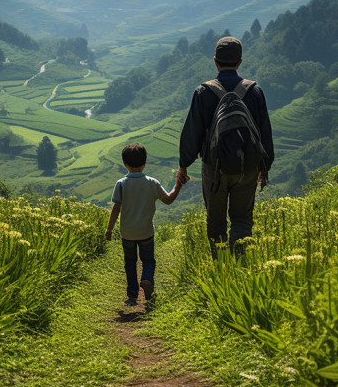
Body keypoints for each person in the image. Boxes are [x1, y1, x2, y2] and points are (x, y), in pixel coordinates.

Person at [176, 36, 273, 256]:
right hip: (248, 166)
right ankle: (240, 266)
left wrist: (183, 165)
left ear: (215, 61)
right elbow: (265, 132)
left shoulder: (203, 92)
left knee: (216, 221)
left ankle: (221, 269)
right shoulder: (254, 91)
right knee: (242, 219)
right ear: (240, 61)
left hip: (215, 168)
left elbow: (192, 132)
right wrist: (264, 167)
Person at [105, 143, 186, 306]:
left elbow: (116, 208)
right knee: (148, 260)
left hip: (127, 232)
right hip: (146, 231)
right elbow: (168, 200)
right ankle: (147, 279)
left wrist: (109, 228)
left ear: (125, 164)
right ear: (145, 163)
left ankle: (132, 295)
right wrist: (178, 185)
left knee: (130, 262)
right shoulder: (152, 183)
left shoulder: (121, 184)